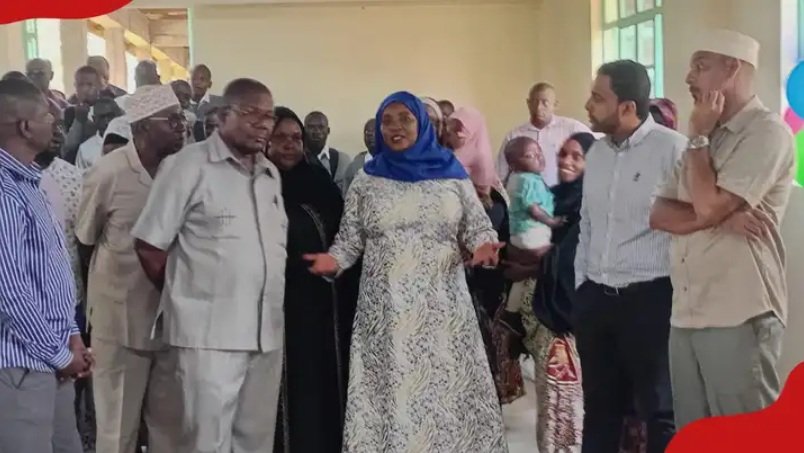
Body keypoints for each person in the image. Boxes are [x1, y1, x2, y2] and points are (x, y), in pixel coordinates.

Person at [304, 91, 507, 452]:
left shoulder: (451, 173)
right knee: (392, 392)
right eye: (388, 120)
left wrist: (484, 247)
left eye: (405, 119)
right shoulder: (366, 180)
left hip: (441, 305)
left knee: (443, 392)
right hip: (387, 310)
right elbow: (350, 240)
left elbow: (477, 227)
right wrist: (332, 262)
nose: (396, 127)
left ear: (422, 124)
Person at [650, 29, 795, 429]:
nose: (689, 77)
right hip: (687, 311)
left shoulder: (766, 133)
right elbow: (659, 214)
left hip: (738, 311)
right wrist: (718, 217)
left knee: (746, 434)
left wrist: (697, 140)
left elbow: (710, 204)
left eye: (701, 66)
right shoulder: (704, 135)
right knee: (694, 433)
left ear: (732, 69)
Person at [131, 78, 285, 452]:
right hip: (208, 336)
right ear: (221, 116)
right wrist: (189, 296)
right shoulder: (188, 166)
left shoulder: (270, 174)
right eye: (251, 113)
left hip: (265, 334)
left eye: (269, 116)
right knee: (206, 442)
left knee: (254, 441)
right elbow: (149, 244)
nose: (263, 124)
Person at [575, 60, 686, 453]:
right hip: (596, 300)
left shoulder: (672, 149)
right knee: (600, 410)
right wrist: (582, 287)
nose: (588, 105)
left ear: (627, 107)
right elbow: (586, 223)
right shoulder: (598, 153)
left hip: (650, 300)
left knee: (659, 411)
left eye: (597, 97)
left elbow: (693, 217)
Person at [76, 84, 186, 453]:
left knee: (169, 433)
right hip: (119, 323)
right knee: (117, 432)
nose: (181, 126)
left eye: (181, 118)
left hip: (171, 324)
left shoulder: (181, 172)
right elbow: (85, 241)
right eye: (171, 120)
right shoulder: (109, 173)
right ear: (141, 127)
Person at [0, 77, 88, 453]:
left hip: (52, 358)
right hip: (19, 365)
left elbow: (50, 274)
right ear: (24, 126)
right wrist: (59, 354)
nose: (55, 122)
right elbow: (10, 292)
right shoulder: (4, 190)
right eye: (47, 115)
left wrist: (71, 336)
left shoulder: (30, 183)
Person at [267, 106, 358, 453]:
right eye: (280, 138)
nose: (290, 145)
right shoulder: (256, 184)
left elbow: (343, 242)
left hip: (320, 310)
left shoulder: (319, 184)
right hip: (272, 308)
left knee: (317, 389)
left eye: (295, 138)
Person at [504, 132, 596, 453]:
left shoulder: (592, 203)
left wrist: (529, 266)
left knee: (567, 399)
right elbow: (519, 237)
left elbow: (571, 258)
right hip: (539, 311)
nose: (565, 161)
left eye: (576, 156)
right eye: (562, 154)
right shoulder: (551, 195)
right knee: (549, 396)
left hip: (566, 314)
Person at [501, 136, 561, 318]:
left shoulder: (519, 179)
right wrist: (553, 222)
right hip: (531, 234)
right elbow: (534, 210)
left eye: (539, 152)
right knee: (554, 255)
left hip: (521, 236)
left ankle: (511, 312)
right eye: (529, 155)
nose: (538, 157)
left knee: (523, 279)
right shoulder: (526, 180)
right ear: (513, 165)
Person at [496, 82, 591, 186]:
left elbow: (596, 149)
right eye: (535, 102)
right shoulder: (514, 136)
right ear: (528, 103)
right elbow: (500, 175)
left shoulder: (572, 128)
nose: (539, 108)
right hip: (525, 198)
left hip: (563, 197)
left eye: (545, 103)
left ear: (555, 105)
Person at [446, 106, 503, 204]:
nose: (458, 133)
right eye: (454, 128)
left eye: (462, 128)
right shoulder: (450, 148)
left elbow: (484, 192)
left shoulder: (482, 155)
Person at [304, 111, 352, 193]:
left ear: (328, 130)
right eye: (311, 127)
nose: (316, 132)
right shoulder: (296, 159)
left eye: (321, 127)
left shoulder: (343, 160)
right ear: (304, 130)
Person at [64, 66, 102, 163]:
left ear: (99, 86)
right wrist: (78, 120)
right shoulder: (69, 113)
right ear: (75, 86)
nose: (85, 89)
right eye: (80, 85)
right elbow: (68, 146)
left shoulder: (107, 109)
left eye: (90, 85)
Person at [76, 97, 124, 170]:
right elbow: (81, 178)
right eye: (102, 117)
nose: (107, 121)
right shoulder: (85, 149)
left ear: (119, 116)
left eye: (110, 116)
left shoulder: (132, 141)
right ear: (94, 119)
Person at [190, 64, 224, 142]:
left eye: (202, 79)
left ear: (210, 84)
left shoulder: (220, 103)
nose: (197, 83)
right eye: (194, 79)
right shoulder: (180, 103)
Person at [343, 118, 376, 191]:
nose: (371, 135)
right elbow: (346, 195)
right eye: (367, 133)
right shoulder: (354, 166)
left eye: (376, 132)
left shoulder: (394, 163)